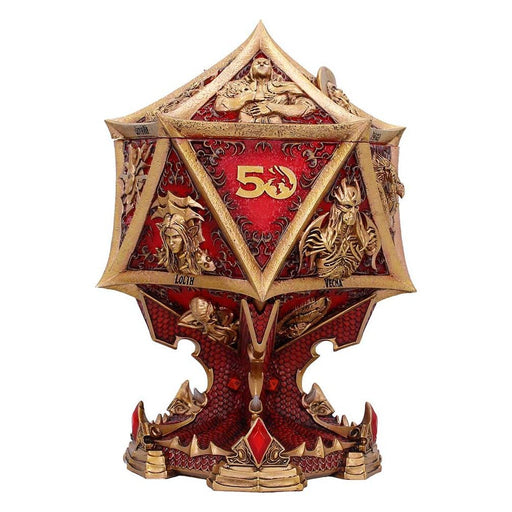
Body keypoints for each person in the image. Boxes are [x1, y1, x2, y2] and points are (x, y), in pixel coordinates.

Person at [214, 57, 316, 123]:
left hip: (279, 133)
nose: (262, 64)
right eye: (257, 63)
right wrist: (246, 98)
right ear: (250, 70)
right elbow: (219, 105)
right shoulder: (235, 85)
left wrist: (273, 107)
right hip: (240, 132)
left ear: (272, 70)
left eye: (266, 63)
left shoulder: (287, 87)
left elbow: (308, 107)